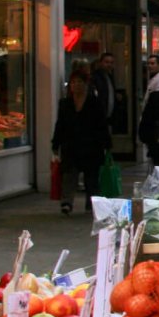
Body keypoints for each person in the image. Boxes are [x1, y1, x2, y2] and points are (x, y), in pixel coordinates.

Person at [51, 70, 111, 216]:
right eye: (73, 83)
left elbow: (101, 124)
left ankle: (91, 204)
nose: (76, 85)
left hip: (91, 145)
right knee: (69, 174)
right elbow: (60, 125)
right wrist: (55, 144)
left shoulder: (94, 103)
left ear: (86, 85)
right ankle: (67, 203)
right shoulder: (65, 104)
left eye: (79, 82)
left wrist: (106, 145)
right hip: (70, 145)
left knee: (91, 176)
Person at [89, 53, 117, 133]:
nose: (109, 65)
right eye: (107, 62)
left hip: (107, 117)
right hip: (99, 117)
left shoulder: (109, 76)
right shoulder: (96, 77)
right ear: (101, 63)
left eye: (111, 62)